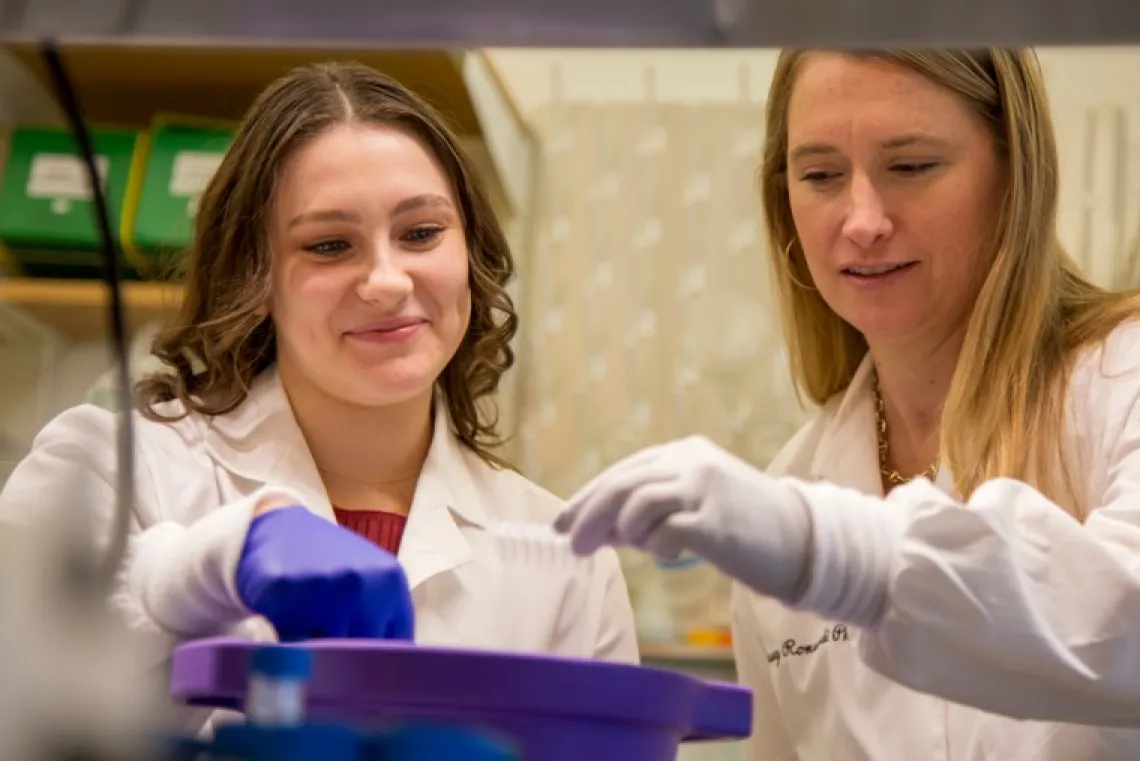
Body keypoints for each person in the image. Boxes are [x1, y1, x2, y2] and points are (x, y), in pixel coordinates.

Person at [0, 61, 637, 730]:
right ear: (256, 277)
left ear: (470, 254)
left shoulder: (565, 554)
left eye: (421, 233)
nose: (387, 281)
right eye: (330, 245)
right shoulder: (115, 467)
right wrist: (191, 572)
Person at [555, 47, 1140, 759]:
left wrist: (832, 552)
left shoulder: (1121, 379)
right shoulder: (795, 482)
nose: (862, 220)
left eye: (912, 165)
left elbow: (1122, 624)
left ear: (1015, 175)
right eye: (822, 175)